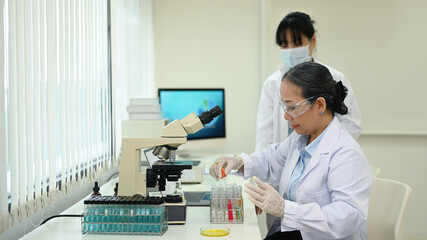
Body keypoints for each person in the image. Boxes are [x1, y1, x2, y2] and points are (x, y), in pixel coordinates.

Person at [210, 62, 373, 240]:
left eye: (292, 107)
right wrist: (238, 161)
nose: (286, 116)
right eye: (285, 107)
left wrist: (287, 209)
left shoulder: (346, 153)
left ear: (319, 105)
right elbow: (272, 160)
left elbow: (347, 218)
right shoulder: (301, 139)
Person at [256, 11, 362, 152]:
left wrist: (317, 147)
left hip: (324, 157)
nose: (291, 50)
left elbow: (352, 124)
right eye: (284, 44)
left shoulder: (335, 78)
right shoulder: (272, 83)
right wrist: (260, 167)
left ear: (312, 42)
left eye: (297, 43)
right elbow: (265, 136)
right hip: (284, 162)